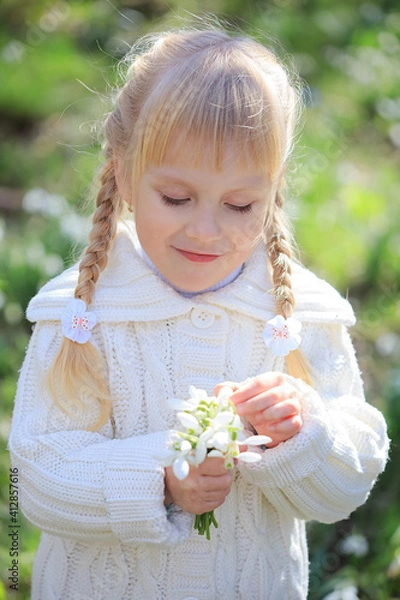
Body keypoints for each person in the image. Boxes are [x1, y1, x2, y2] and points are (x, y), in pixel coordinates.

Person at [9, 25, 389, 600]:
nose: (206, 230)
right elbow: (36, 478)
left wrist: (303, 434)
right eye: (177, 198)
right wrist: (160, 478)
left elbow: (346, 487)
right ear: (127, 174)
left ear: (274, 189)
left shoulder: (299, 316)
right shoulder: (84, 314)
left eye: (240, 205)